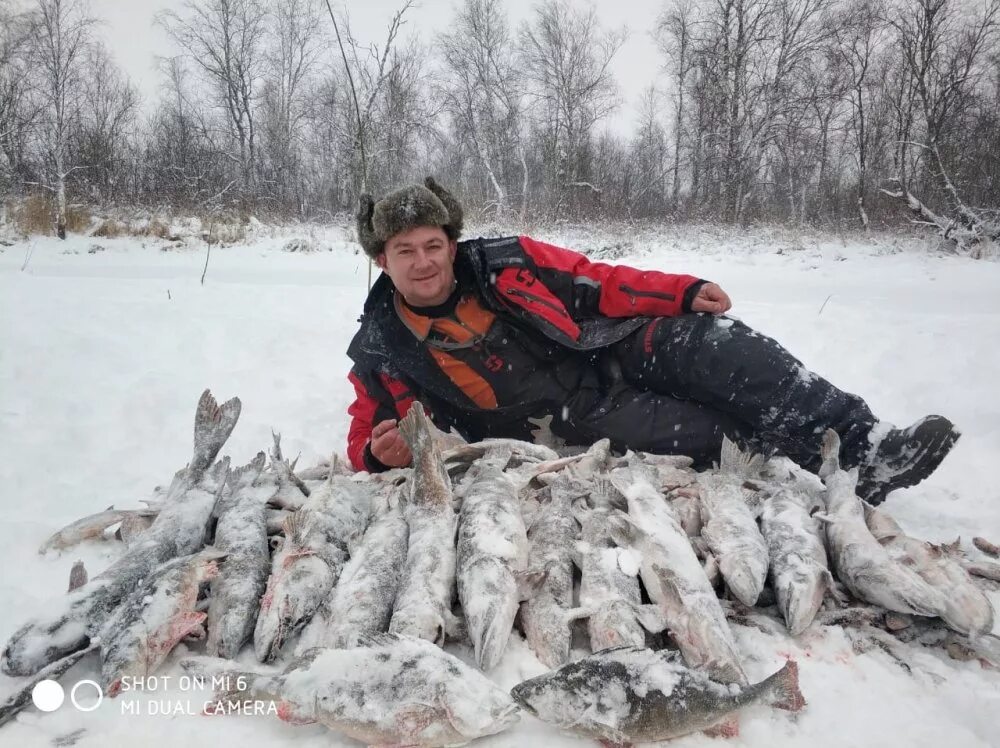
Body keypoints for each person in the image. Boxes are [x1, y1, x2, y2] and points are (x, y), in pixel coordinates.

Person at [345, 177, 959, 504]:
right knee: (716, 437)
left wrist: (681, 291)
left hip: (606, 346)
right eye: (405, 251)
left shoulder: (507, 260)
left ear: (451, 244)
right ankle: (820, 466)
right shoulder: (379, 349)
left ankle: (866, 450)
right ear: (382, 260)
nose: (423, 262)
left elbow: (598, 281)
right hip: (565, 420)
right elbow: (361, 437)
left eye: (433, 245)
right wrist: (378, 454)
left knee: (719, 347)